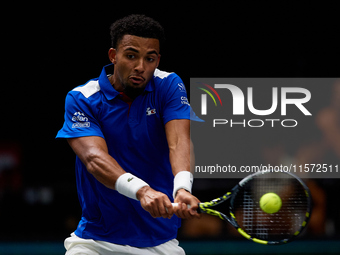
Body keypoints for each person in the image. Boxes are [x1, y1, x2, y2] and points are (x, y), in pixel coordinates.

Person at [56, 14, 201, 255]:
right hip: (96, 243)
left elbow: (179, 141)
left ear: (158, 60)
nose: (141, 67)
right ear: (113, 56)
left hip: (161, 243)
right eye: (131, 56)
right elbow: (94, 159)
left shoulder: (169, 85)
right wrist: (143, 191)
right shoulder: (82, 98)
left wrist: (182, 189)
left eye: (150, 58)